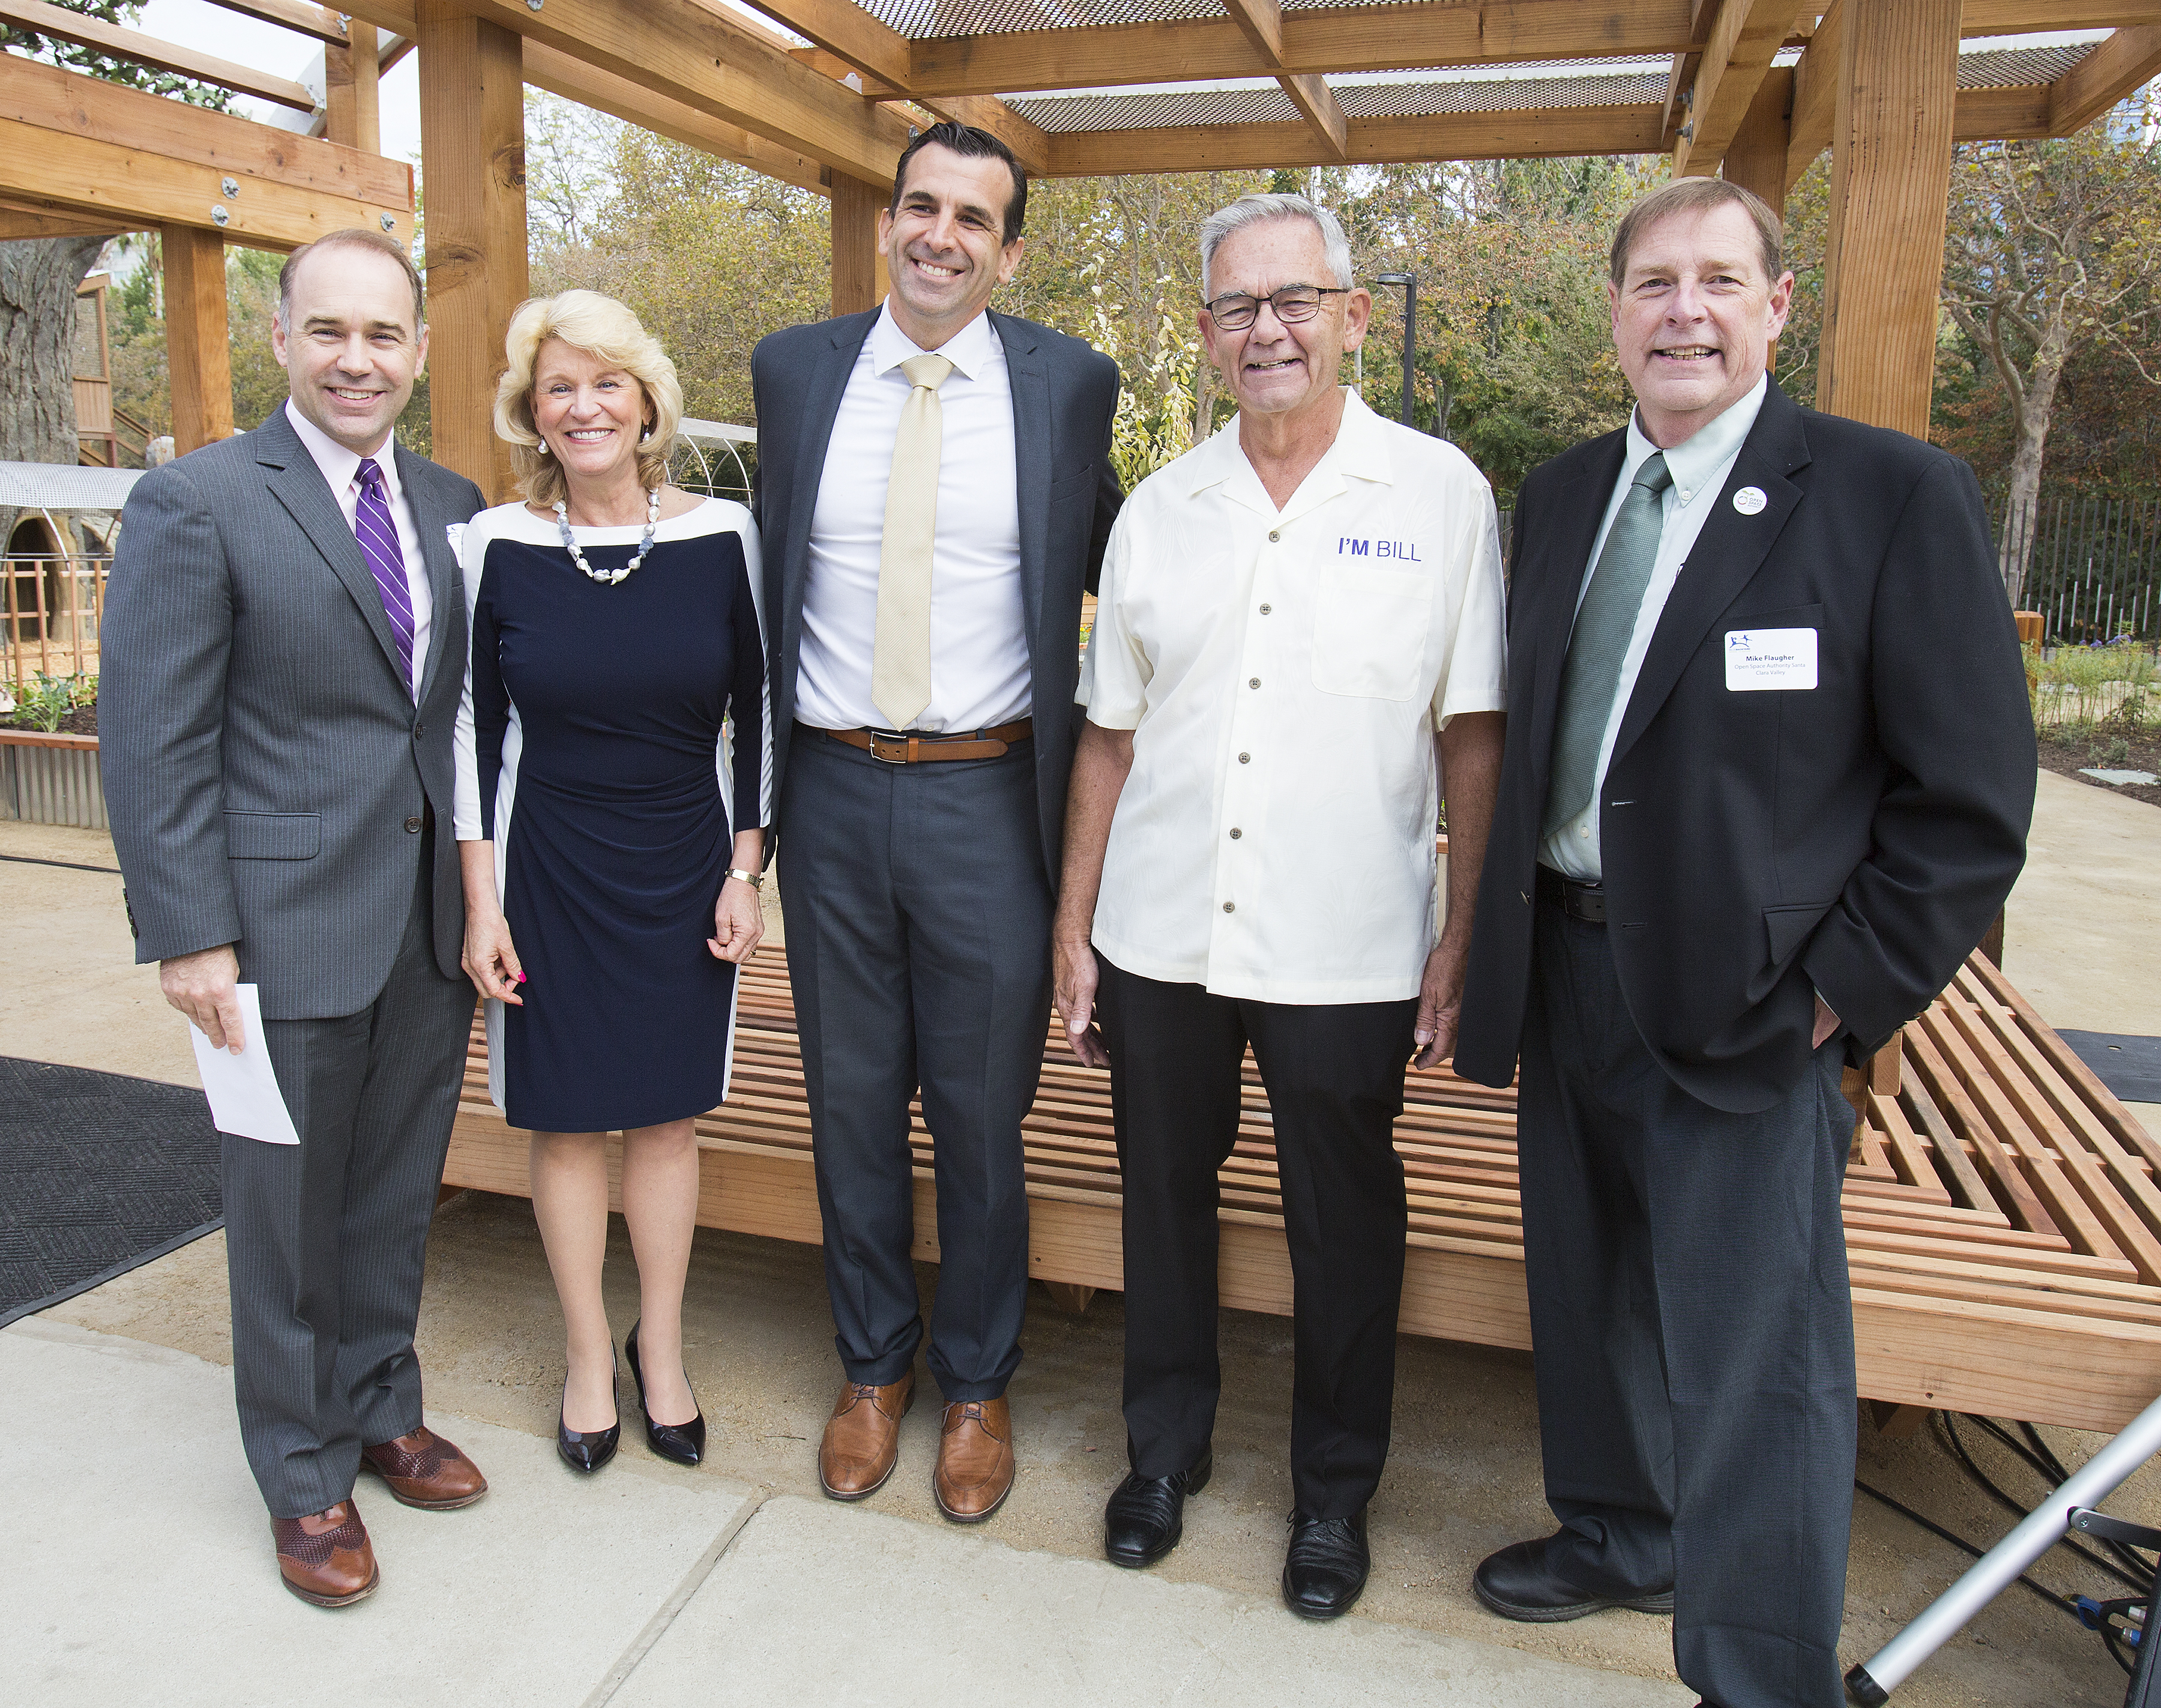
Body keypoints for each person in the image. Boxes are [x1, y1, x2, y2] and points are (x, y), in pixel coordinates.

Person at [1453, 178, 2036, 1708]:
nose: (1684, 311)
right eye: (1654, 282)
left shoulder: (1888, 495)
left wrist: (1841, 996)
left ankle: (1761, 1670)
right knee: (1586, 1298)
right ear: (1616, 314)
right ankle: (1621, 1530)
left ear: (1780, 306)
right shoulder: (1569, 492)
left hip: (1760, 1002)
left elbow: (1969, 807)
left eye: (1720, 280)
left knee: (1760, 1358)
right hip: (1567, 966)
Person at [1053, 192, 1508, 1619]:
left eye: (1296, 300)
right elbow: (1109, 737)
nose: (1270, 330)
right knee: (1165, 1205)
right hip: (1162, 931)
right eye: (1239, 308)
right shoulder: (1163, 508)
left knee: (1345, 1222)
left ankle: (1332, 1495)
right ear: (1204, 336)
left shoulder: (1439, 495)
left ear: (1353, 316)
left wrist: (1461, 936)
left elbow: (1472, 735)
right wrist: (1074, 930)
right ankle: (1163, 1456)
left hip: (1350, 941)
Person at [103, 227, 489, 1608]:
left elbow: (454, 721)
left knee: (393, 1191)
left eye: (382, 335)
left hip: (423, 925)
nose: (355, 359)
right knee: (281, 1212)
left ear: (419, 354)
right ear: (281, 340)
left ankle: (382, 1403)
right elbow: (152, 737)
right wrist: (188, 933)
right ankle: (301, 1464)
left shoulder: (454, 500)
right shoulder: (199, 499)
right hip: (270, 929)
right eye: (328, 331)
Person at [749, 121, 1121, 1522]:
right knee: (848, 1101)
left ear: (1008, 248)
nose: (941, 235)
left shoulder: (1067, 383)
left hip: (989, 793)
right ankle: (872, 1367)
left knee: (979, 1115)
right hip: (831, 786)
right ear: (889, 219)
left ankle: (975, 1382)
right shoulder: (795, 371)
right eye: (921, 205)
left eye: (975, 216)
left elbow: (1123, 562)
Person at [453, 291, 769, 1476]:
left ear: (645, 404)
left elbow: (766, 713)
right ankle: (591, 1357)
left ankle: (664, 1354)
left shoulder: (727, 535)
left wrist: (750, 867)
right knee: (569, 1122)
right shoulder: (496, 545)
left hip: (686, 865)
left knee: (666, 1120)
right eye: (558, 388)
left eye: (605, 384)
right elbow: (472, 734)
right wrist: (481, 903)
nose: (583, 406)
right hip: (547, 868)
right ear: (533, 415)